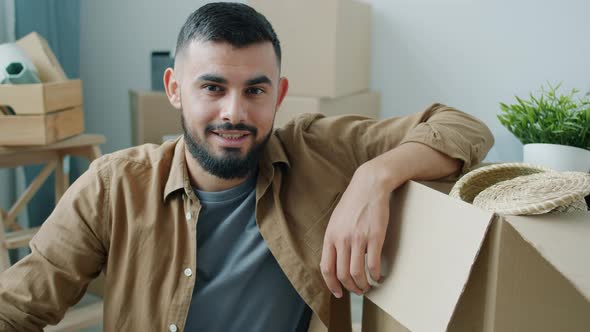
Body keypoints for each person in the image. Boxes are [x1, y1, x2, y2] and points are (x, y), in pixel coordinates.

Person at [0, 2, 494, 332]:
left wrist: (375, 176)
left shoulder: (316, 150)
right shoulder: (114, 186)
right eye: (212, 88)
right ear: (174, 88)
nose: (234, 112)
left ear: (278, 93)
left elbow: (462, 127)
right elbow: (19, 306)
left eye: (255, 90)